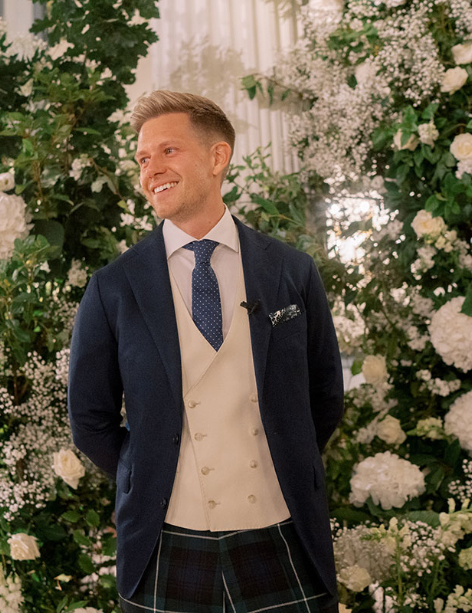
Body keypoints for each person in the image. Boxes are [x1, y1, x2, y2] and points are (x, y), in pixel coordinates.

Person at [68, 90, 344, 612]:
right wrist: (144, 473)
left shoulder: (292, 271)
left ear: (218, 157)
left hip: (283, 533)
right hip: (166, 539)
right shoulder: (114, 287)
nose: (152, 170)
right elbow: (90, 419)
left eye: (168, 151)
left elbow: (324, 399)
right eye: (144, 159)